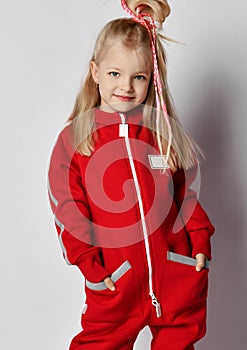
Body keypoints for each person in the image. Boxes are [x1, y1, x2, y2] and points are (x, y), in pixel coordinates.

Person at [47, 0, 215, 349]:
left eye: (138, 76)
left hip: (175, 273)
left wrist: (199, 242)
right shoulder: (77, 141)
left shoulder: (161, 135)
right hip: (117, 279)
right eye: (114, 74)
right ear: (95, 72)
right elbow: (67, 208)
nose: (126, 86)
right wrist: (93, 267)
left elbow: (186, 196)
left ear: (152, 78)